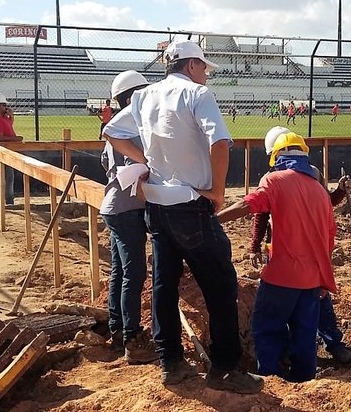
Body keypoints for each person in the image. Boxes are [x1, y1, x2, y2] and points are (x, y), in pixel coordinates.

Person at [103, 40, 263, 394]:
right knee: (221, 286)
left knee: (164, 284)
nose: (206, 75)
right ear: (191, 65)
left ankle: (170, 362)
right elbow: (219, 143)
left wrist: (143, 161)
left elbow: (111, 132)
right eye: (204, 68)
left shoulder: (144, 97)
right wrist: (218, 192)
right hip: (191, 205)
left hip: (157, 206)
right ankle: (224, 369)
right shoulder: (197, 94)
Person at [217, 132, 337, 382]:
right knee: (305, 335)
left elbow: (247, 205)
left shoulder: (274, 181)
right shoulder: (320, 191)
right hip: (312, 279)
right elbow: (329, 239)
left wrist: (212, 221)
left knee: (267, 328)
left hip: (281, 277)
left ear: (277, 156)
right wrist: (325, 280)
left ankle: (270, 379)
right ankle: (305, 381)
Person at [252, 126, 351, 365]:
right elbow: (261, 213)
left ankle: (332, 342)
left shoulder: (311, 174)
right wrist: (255, 245)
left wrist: (339, 192)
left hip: (309, 248)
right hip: (280, 246)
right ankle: (289, 353)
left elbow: (325, 203)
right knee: (289, 303)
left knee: (315, 302)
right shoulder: (273, 179)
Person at [100, 70, 158, 365]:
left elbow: (104, 164)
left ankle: (118, 330)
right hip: (126, 209)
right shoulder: (131, 131)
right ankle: (132, 340)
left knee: (120, 271)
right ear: (131, 98)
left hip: (115, 207)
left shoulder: (119, 130)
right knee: (134, 273)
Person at [0, 93, 23, 207]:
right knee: (7, 175)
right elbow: (0, 137)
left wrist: (11, 117)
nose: (6, 108)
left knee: (1, 174)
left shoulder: (1, 118)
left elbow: (8, 126)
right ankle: (8, 200)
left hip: (4, 150)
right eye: (3, 105)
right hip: (1, 150)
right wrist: (16, 139)